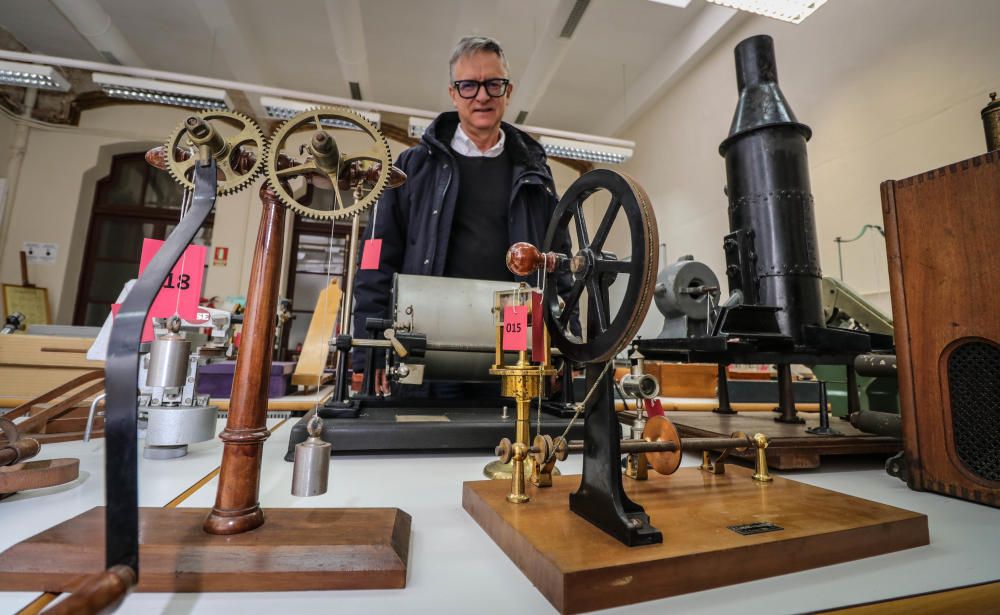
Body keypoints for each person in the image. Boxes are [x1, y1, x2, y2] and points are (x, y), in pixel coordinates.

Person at [351, 35, 572, 387]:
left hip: (515, 352)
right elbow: (375, 260)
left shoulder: (537, 178)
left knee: (514, 437)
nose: (481, 95)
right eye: (468, 85)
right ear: (453, 93)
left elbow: (560, 268)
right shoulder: (409, 169)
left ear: (508, 91)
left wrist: (566, 349)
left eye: (492, 84)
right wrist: (367, 352)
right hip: (423, 345)